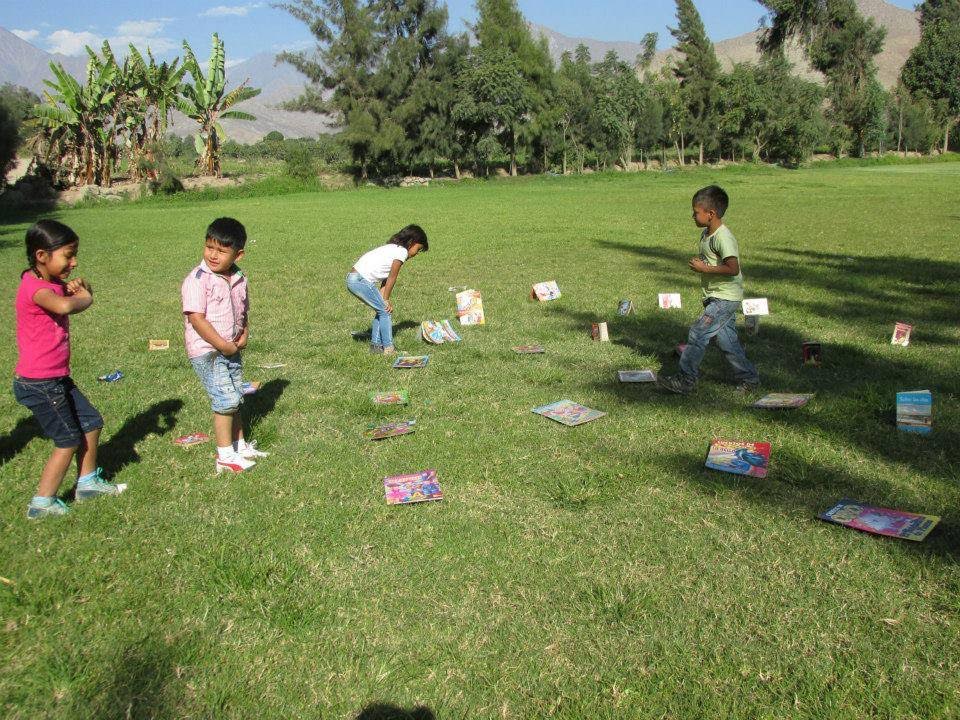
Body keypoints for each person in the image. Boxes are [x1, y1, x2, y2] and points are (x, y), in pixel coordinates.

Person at [13, 220, 125, 519]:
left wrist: (80, 288)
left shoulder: (48, 282)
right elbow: (64, 307)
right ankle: (42, 502)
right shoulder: (35, 288)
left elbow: (67, 294)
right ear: (41, 256)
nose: (73, 263)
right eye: (68, 255)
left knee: (91, 422)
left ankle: (87, 483)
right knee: (67, 441)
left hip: (56, 378)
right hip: (40, 383)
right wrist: (85, 297)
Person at [182, 217, 268, 473]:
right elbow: (196, 318)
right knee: (225, 400)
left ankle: (239, 446)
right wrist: (222, 345)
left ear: (238, 254)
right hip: (208, 351)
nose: (213, 255)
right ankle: (224, 456)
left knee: (236, 398)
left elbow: (243, 309)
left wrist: (244, 333)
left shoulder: (239, 277)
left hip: (231, 347)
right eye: (210, 248)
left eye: (221, 251)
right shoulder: (198, 279)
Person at [658, 186, 760, 394]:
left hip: (724, 299)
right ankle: (749, 379)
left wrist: (704, 268)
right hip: (715, 297)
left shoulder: (723, 237)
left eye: (696, 212)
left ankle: (686, 380)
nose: (692, 216)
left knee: (698, 333)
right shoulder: (707, 233)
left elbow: (733, 268)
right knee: (728, 342)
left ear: (711, 214)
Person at [346, 225, 429, 355]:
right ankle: (389, 349)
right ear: (411, 242)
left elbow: (385, 279)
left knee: (381, 310)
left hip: (354, 279)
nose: (417, 253)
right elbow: (392, 277)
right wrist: (385, 299)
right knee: (385, 311)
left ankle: (376, 347)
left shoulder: (392, 248)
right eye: (418, 249)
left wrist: (383, 296)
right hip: (360, 280)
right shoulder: (402, 252)